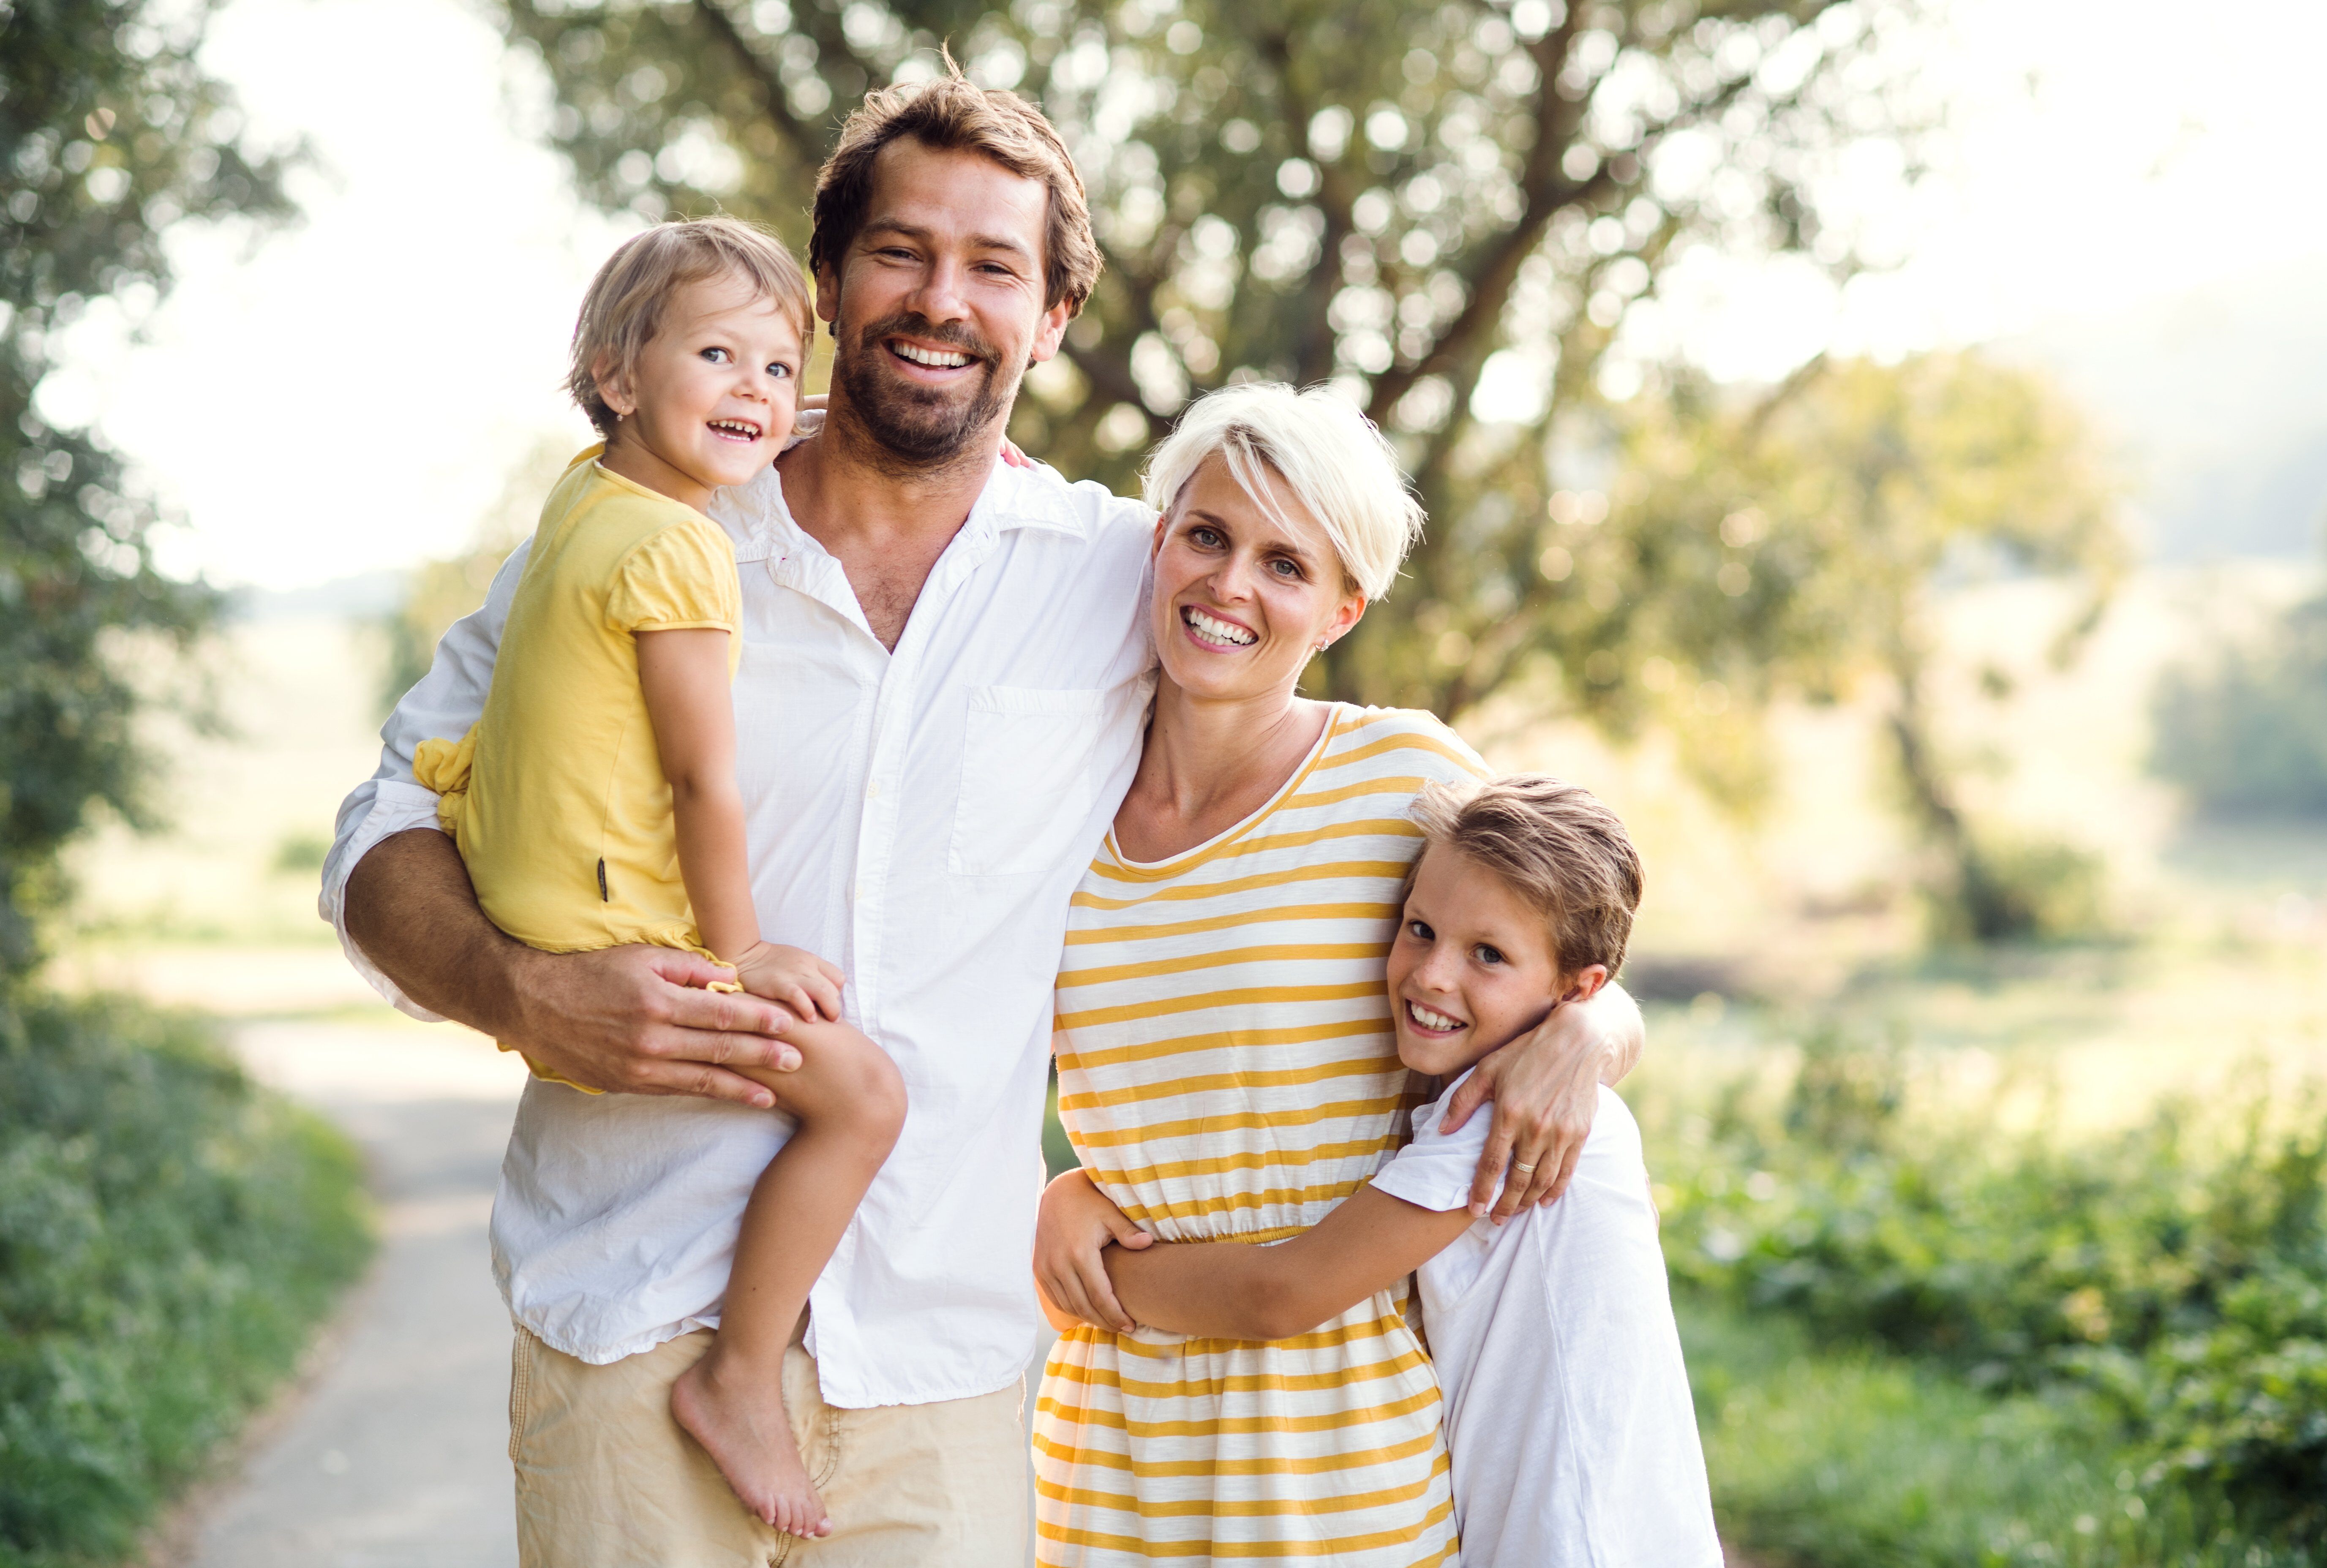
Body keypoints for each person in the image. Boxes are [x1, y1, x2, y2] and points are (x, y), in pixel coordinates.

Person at [325, 65, 1633, 1568]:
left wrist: (1591, 1032)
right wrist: (520, 992)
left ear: (1050, 317)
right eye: (899, 251)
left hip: (943, 1383)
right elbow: (382, 825)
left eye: (991, 266)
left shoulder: (1119, 578)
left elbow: (1509, 888)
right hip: (632, 1321)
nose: (940, 299)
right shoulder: (644, 535)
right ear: (824, 285)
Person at [1029, 384, 1648, 1565]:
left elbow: (1560, 963)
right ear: (1159, 542)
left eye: (1286, 565)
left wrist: (1588, 1039)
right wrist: (1052, 1205)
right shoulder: (1060, 799)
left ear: (1342, 610)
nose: (1230, 587)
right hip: (1106, 1464)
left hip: (1339, 1468)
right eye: (1207, 537)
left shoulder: (1403, 778)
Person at [410, 215, 905, 1538]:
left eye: (775, 366)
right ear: (620, 373)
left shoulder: (588, 494)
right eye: (716, 357)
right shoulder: (685, 550)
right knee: (860, 1097)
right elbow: (704, 782)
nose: (754, 391)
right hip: (607, 934)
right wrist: (742, 957)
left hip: (527, 890)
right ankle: (739, 1378)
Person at [1046, 776, 1719, 1567]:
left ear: (1577, 992)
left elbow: (1284, 1292)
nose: (1433, 975)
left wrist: (1087, 1267)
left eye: (1489, 955)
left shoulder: (1498, 1127)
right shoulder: (1506, 1106)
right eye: (1420, 929)